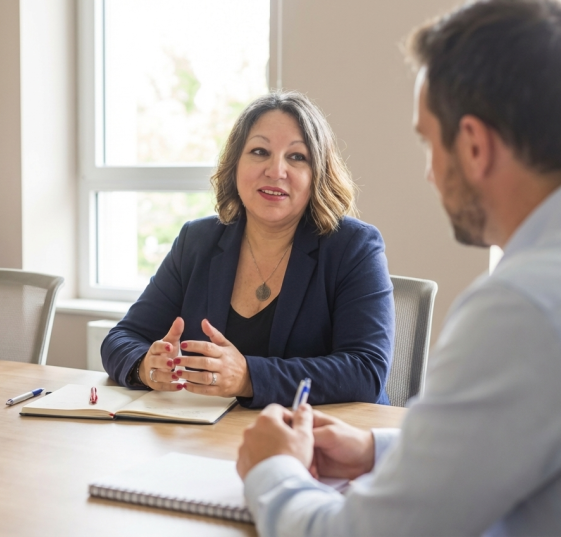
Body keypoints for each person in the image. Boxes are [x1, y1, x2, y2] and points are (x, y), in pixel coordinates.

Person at [237, 0, 561, 535]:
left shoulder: (526, 307)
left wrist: (272, 471)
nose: (430, 175)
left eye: (428, 142)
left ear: (474, 145)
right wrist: (378, 449)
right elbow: (521, 434)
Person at [101, 92, 395, 409]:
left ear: (317, 173)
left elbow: (366, 370)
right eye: (259, 151)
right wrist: (146, 366)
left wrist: (247, 377)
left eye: (297, 157)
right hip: (213, 439)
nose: (275, 170)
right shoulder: (196, 241)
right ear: (235, 165)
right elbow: (121, 339)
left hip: (323, 442)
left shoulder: (353, 247)